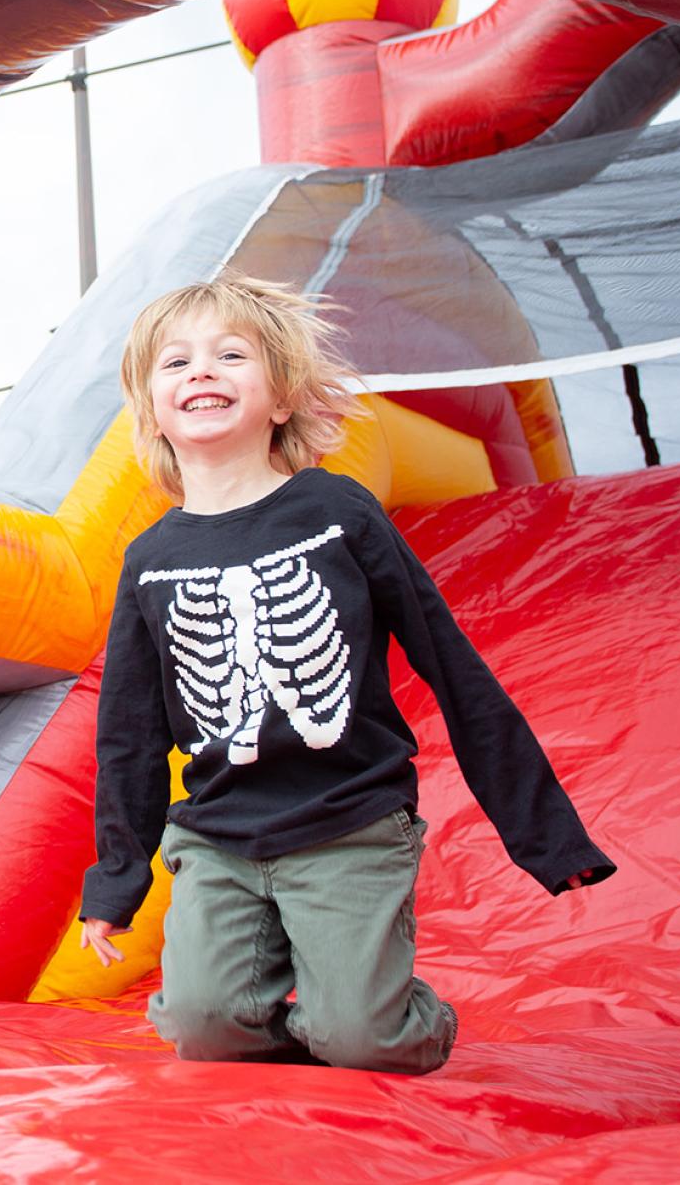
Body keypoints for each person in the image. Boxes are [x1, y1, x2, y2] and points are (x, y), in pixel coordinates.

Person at [80, 270, 615, 1074]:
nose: (201, 371)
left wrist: (543, 835)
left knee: (363, 1042)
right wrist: (116, 884)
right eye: (176, 362)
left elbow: (450, 663)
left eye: (232, 354)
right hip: (220, 835)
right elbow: (128, 733)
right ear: (151, 410)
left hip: (349, 821)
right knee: (201, 1028)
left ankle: (391, 1015)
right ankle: (323, 1005)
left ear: (283, 398)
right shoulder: (150, 561)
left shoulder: (338, 511)